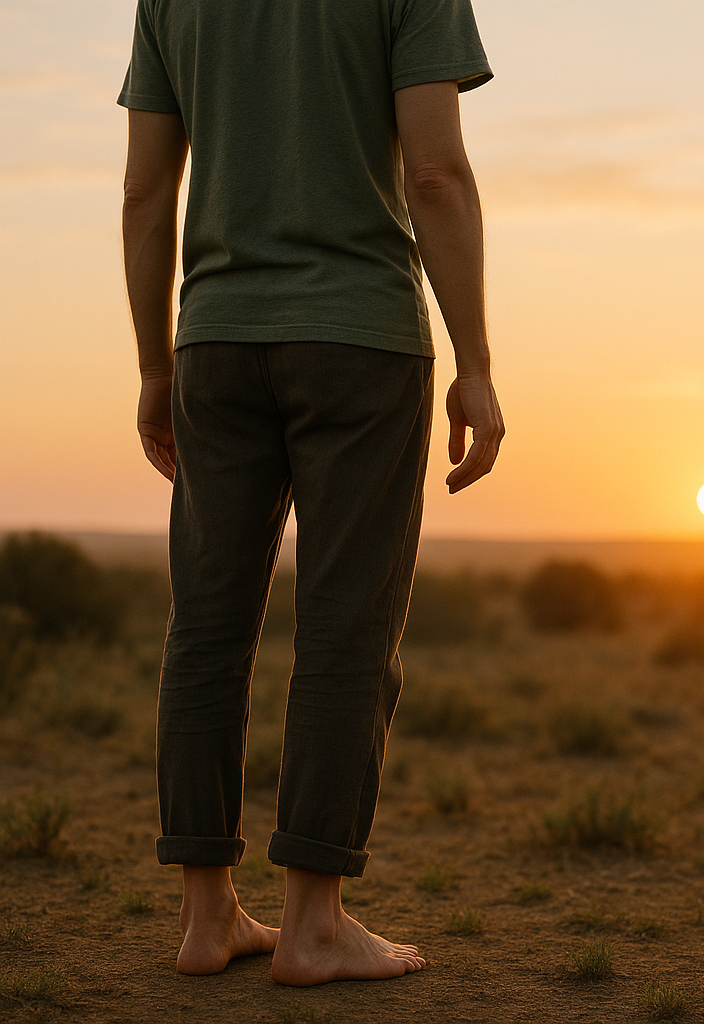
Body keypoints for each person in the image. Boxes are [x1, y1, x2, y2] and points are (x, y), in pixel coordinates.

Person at [118, 0, 504, 985]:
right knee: (345, 629)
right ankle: (313, 923)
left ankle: (208, 917)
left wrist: (155, 368)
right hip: (360, 335)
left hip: (215, 338)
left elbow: (146, 194)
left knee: (205, 628)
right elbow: (436, 172)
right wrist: (476, 362)